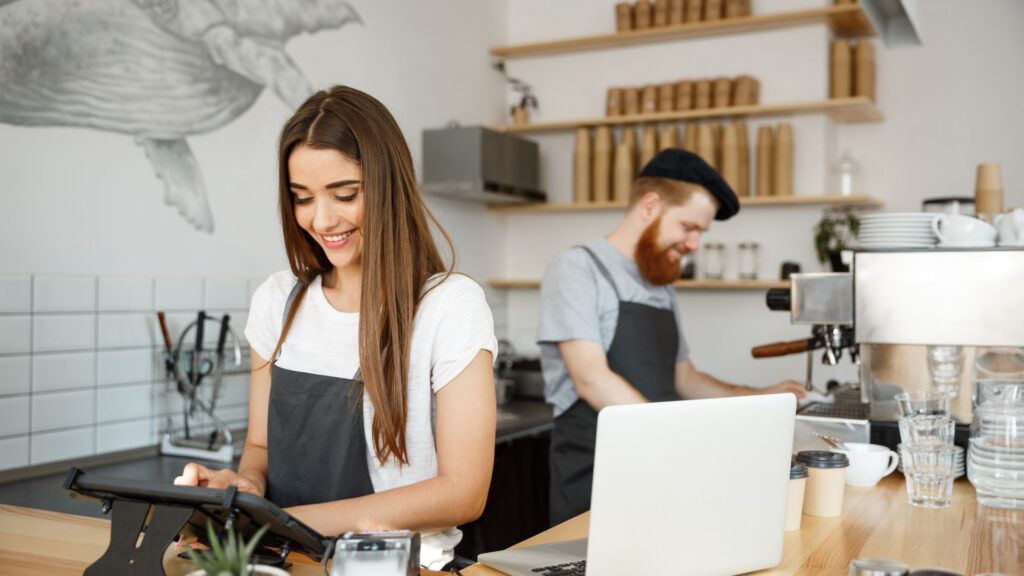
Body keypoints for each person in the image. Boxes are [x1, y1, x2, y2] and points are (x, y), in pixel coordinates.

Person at [174, 85, 498, 570]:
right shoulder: (277, 302)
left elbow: (463, 492)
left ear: (388, 185)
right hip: (278, 562)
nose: (321, 220)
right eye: (302, 198)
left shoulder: (447, 306)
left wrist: (276, 518)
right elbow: (260, 448)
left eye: (344, 194)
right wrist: (245, 489)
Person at [538, 148, 806, 525]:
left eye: (701, 232)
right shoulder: (578, 269)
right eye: (689, 227)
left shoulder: (658, 283)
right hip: (597, 478)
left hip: (660, 470)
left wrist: (759, 397)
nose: (694, 243)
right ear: (650, 205)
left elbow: (685, 377)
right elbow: (591, 379)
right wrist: (681, 444)